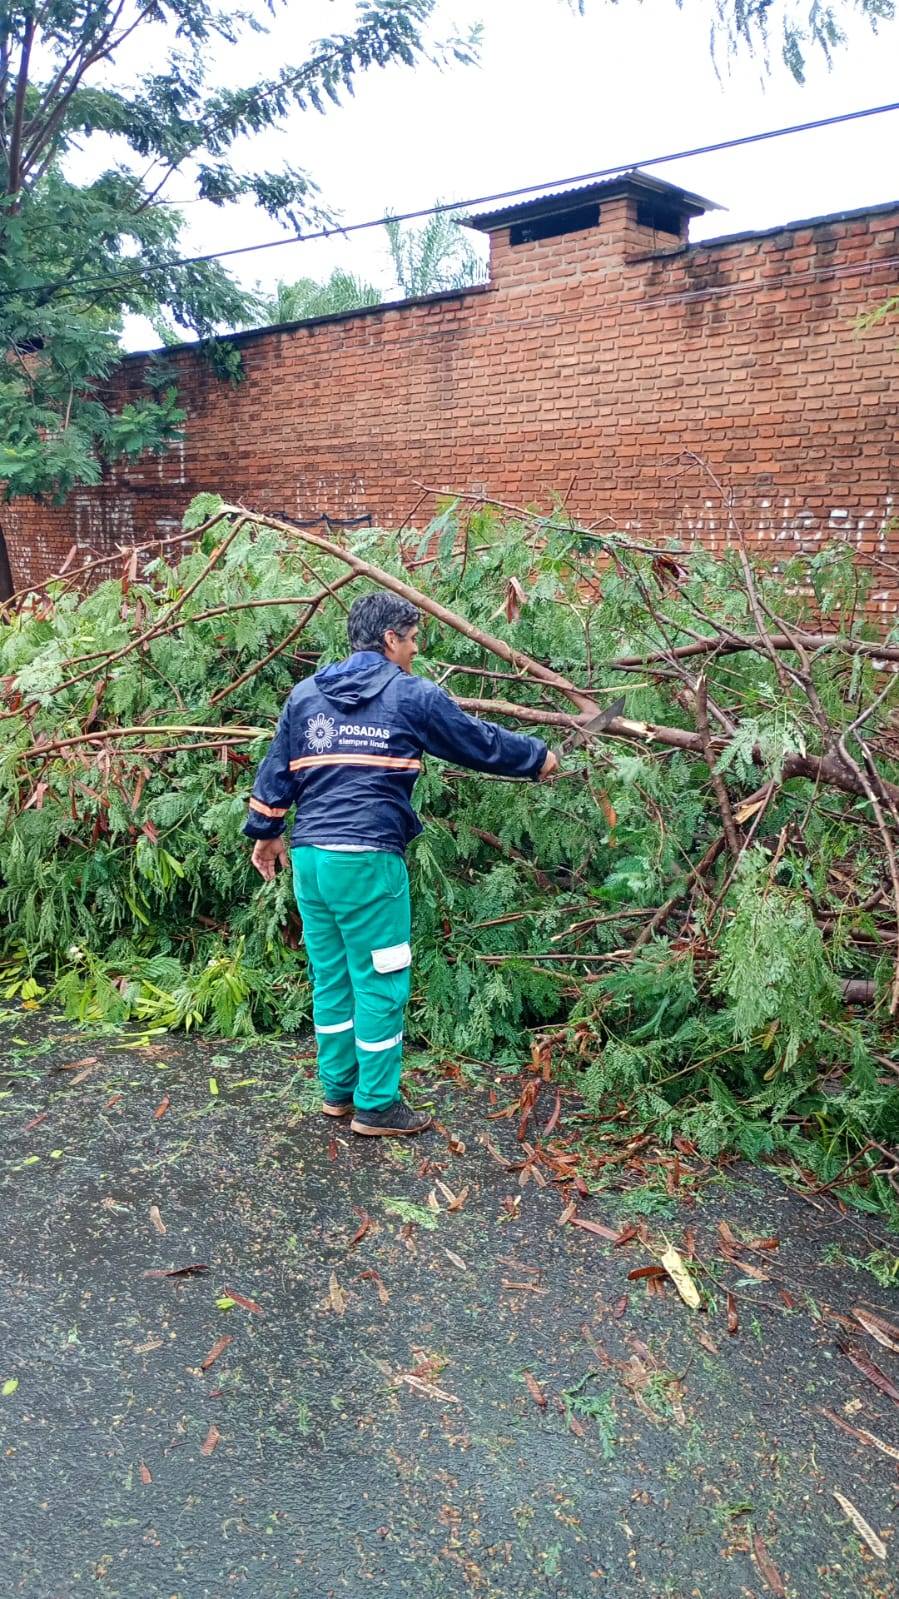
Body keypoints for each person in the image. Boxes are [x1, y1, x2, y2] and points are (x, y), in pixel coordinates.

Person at [245, 591, 558, 1137]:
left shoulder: (305, 694)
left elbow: (277, 768)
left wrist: (266, 832)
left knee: (332, 978)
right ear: (390, 638)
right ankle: (377, 1106)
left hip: (311, 859)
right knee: (381, 980)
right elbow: (476, 741)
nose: (415, 651)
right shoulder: (411, 694)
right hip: (366, 860)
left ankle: (338, 1092)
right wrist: (538, 757)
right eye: (412, 640)